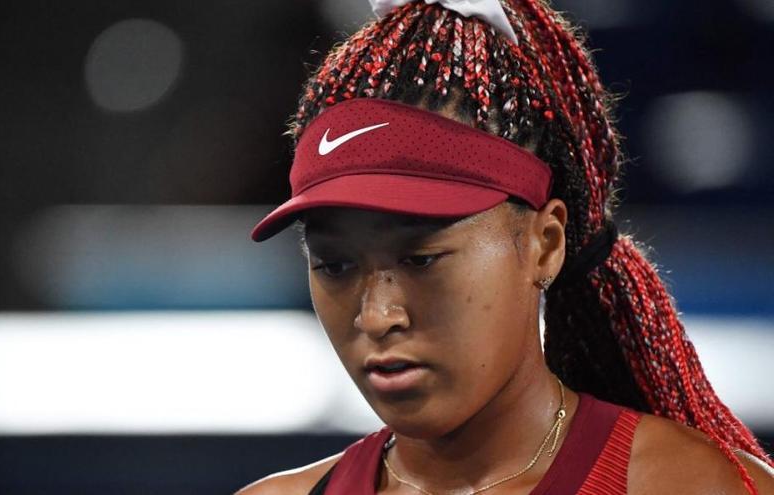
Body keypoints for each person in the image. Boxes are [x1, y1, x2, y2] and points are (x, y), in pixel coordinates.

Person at [238, 0, 774, 493]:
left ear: (545, 244)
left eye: (421, 259)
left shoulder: (692, 485)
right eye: (334, 266)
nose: (377, 316)